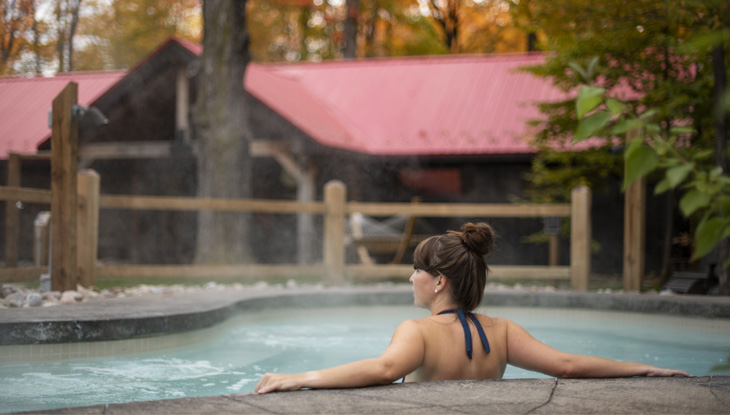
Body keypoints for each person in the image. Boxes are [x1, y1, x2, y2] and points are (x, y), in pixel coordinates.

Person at [255, 222, 690, 394]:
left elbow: (386, 370)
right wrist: (646, 369)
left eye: (416, 270)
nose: (411, 278)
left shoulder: (417, 331)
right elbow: (568, 364)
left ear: (439, 281)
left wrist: (298, 378)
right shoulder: (501, 330)